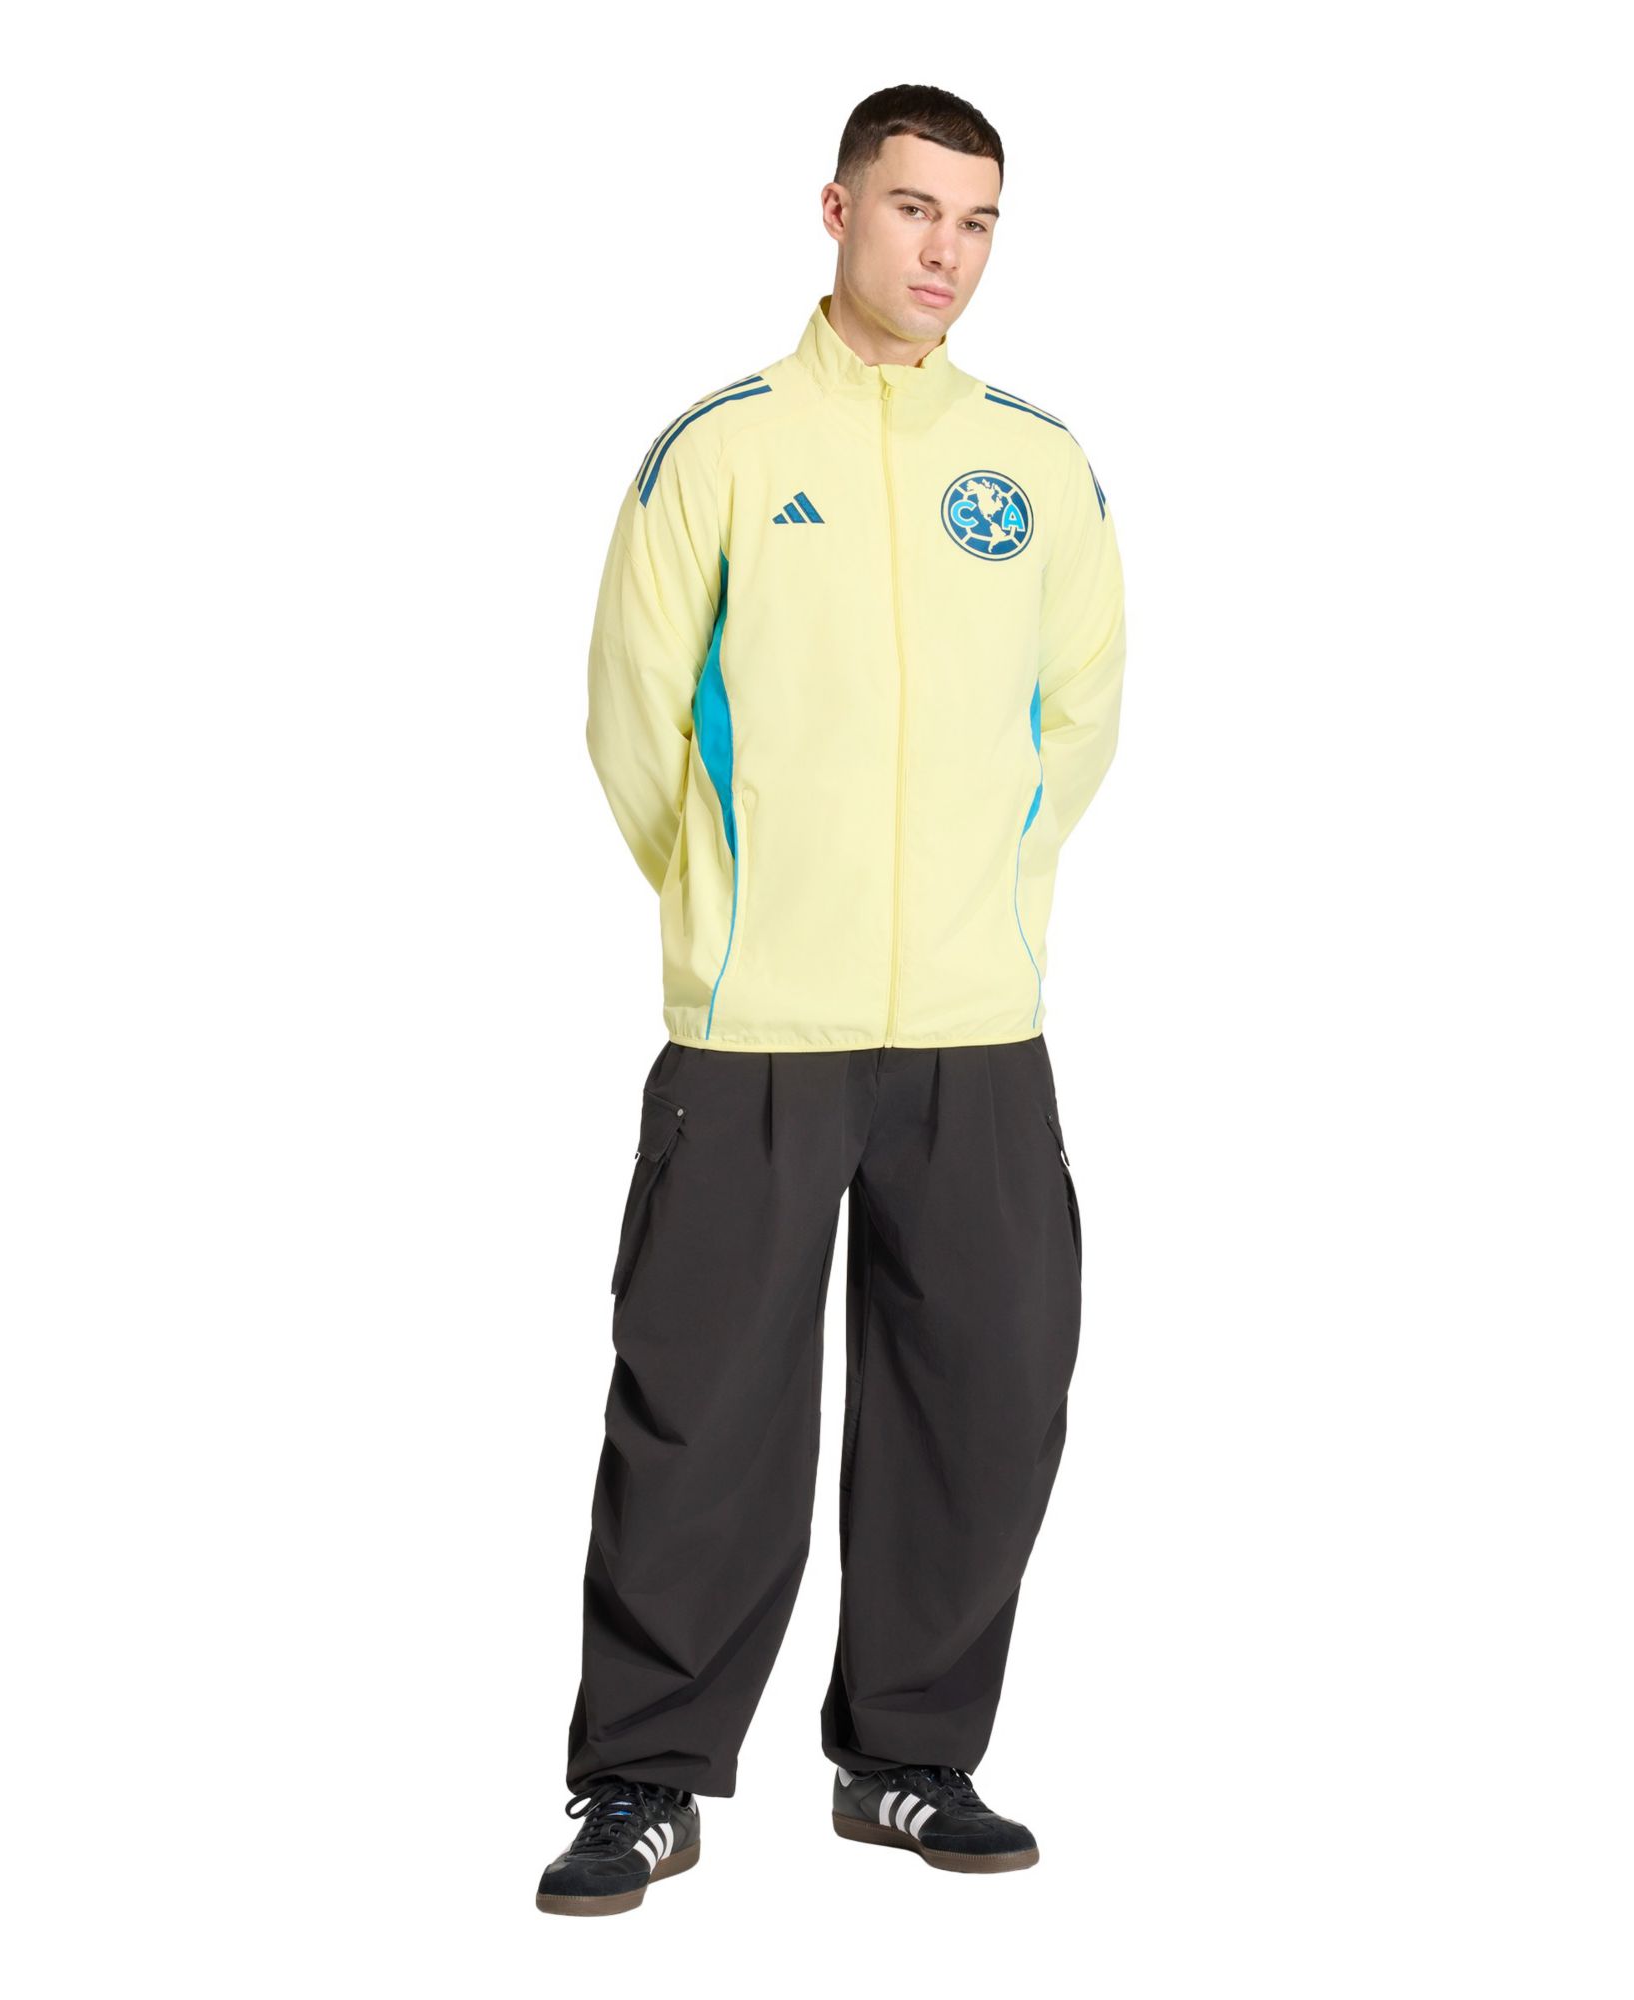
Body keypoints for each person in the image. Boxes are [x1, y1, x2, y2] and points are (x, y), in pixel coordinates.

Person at [538, 82, 1126, 1917]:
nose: (945, 252)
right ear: (838, 210)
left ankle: (909, 1761)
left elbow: (1079, 718)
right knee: (702, 1412)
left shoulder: (1035, 468)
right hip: (758, 1030)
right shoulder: (716, 452)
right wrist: (728, 905)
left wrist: (985, 897)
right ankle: (644, 1779)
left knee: (986, 1400)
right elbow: (634, 720)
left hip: (976, 1027)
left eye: (977, 221)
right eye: (914, 209)